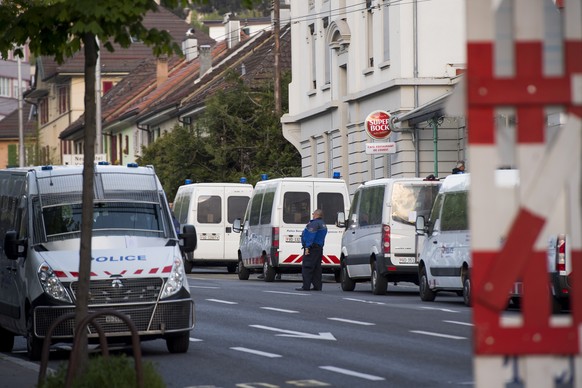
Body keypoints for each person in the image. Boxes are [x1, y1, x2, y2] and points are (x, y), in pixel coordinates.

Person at [296, 209, 328, 291]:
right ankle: (317, 286)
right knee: (317, 268)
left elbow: (310, 236)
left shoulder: (314, 224)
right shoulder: (323, 223)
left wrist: (307, 247)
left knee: (307, 267)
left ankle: (306, 286)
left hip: (312, 248)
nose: (312, 214)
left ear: (316, 215)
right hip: (319, 248)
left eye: (313, 213)